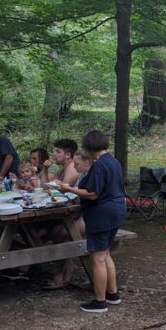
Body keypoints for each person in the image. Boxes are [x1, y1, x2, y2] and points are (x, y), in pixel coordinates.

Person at [58, 131, 125, 313]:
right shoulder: (113, 161)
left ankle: (100, 301)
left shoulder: (99, 165)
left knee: (98, 258)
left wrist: (69, 189)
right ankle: (113, 294)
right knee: (106, 254)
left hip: (102, 214)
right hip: (117, 210)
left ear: (88, 147)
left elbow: (92, 194)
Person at [44, 149, 92, 290]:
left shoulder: (93, 175)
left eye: (77, 164)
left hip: (91, 216)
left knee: (62, 234)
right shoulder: (82, 175)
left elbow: (90, 195)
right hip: (79, 212)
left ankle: (65, 270)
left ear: (87, 162)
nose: (75, 167)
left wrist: (69, 190)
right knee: (54, 231)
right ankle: (67, 266)